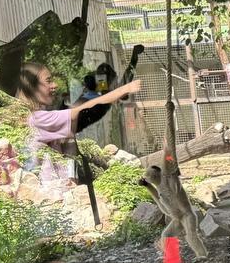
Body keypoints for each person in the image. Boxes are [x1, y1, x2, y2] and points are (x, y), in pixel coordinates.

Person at [18, 62, 139, 190]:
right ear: (31, 87)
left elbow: (70, 153)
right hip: (54, 191)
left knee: (69, 141)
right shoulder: (37, 119)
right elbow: (78, 110)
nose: (55, 85)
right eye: (49, 81)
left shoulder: (43, 118)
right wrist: (124, 88)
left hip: (65, 188)